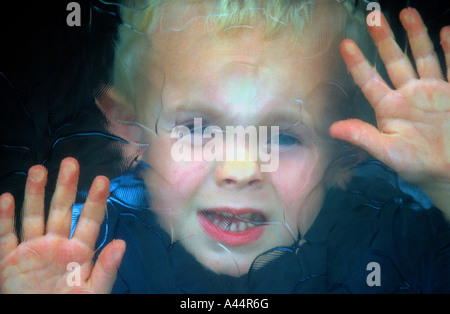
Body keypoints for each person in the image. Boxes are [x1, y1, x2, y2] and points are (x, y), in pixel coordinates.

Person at [0, 0, 449, 293]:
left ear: (341, 157)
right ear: (131, 130)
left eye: (282, 137)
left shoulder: (394, 238)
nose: (239, 169)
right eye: (197, 128)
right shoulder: (76, 254)